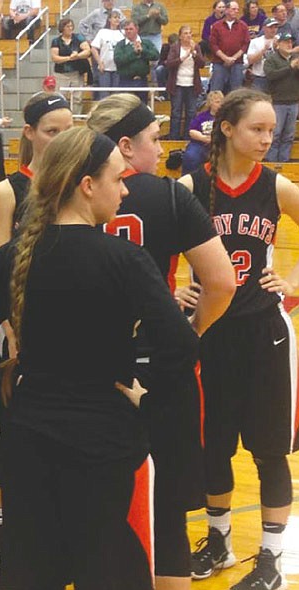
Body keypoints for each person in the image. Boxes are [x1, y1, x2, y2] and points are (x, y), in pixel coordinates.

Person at [0, 125, 199, 589]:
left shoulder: (15, 256)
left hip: (30, 441)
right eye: (118, 180)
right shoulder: (125, 259)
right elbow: (180, 346)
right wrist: (150, 401)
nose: (125, 190)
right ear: (87, 185)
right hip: (108, 445)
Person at [88, 93, 236, 590]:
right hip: (159, 367)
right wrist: (188, 334)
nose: (162, 148)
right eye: (154, 139)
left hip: (87, 369)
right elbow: (222, 283)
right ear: (125, 146)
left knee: (96, 512)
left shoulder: (70, 193)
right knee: (168, 515)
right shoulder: (171, 195)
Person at [179, 88, 299, 590]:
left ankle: (270, 559)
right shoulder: (187, 187)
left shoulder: (279, 186)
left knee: (269, 451)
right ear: (226, 128)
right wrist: (175, 290)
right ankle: (220, 542)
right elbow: (159, 255)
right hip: (209, 332)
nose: (268, 139)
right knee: (213, 447)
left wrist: (293, 282)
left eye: (272, 130)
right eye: (258, 129)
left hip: (264, 333)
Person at [0, 91, 73, 572]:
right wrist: (13, 330)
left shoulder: (81, 184)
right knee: (6, 435)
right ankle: (6, 525)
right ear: (30, 133)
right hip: (17, 332)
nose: (59, 138)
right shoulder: (8, 191)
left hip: (69, 332)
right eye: (51, 130)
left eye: (67, 129)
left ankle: (55, 521)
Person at [264, 31, 299, 162]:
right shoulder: (271, 59)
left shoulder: (296, 58)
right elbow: (271, 75)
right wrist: (290, 68)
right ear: (278, 44)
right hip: (278, 102)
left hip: (294, 101)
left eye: (291, 42)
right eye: (286, 42)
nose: (289, 44)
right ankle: (272, 162)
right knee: (276, 134)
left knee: (289, 136)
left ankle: (284, 162)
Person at [166, 26, 206, 140]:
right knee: (176, 113)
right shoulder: (175, 48)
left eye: (190, 33)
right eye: (185, 33)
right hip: (177, 84)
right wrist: (182, 58)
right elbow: (169, 64)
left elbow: (202, 64)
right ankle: (174, 138)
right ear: (180, 36)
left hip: (192, 85)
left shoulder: (196, 47)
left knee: (191, 112)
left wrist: (194, 53)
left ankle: (188, 137)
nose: (188, 35)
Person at [50, 18, 91, 115]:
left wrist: (77, 56)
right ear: (62, 28)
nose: (70, 28)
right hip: (61, 74)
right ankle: (61, 116)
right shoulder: (56, 41)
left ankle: (76, 116)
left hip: (77, 73)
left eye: (71, 26)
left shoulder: (78, 38)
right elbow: (55, 58)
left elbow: (87, 50)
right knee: (60, 97)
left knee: (77, 97)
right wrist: (69, 58)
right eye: (68, 26)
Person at [209, 1, 250, 93]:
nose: (236, 11)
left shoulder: (243, 26)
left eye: (237, 9)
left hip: (237, 63)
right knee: (216, 91)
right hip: (219, 63)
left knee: (236, 92)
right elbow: (213, 44)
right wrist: (225, 58)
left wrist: (233, 58)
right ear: (226, 10)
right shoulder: (216, 26)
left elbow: (245, 44)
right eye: (233, 9)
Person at [114, 20, 160, 103]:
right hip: (125, 81)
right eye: (126, 29)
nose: (128, 31)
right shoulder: (120, 45)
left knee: (141, 107)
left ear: (137, 29)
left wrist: (143, 51)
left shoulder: (146, 43)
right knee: (124, 107)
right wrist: (133, 53)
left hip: (141, 80)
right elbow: (118, 60)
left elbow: (156, 56)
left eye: (131, 29)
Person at [182, 90, 224, 175]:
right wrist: (203, 138)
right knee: (191, 156)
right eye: (217, 102)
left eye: (221, 102)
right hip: (200, 144)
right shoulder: (201, 116)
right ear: (210, 103)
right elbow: (192, 131)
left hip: (219, 144)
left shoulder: (226, 117)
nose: (220, 105)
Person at [91, 11, 125, 97]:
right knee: (104, 94)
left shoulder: (123, 33)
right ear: (109, 19)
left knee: (116, 95)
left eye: (118, 17)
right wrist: (99, 62)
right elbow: (94, 48)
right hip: (105, 68)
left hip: (118, 68)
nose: (117, 19)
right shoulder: (103, 32)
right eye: (115, 17)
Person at [246, 17, 280, 93]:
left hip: (277, 77)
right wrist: (263, 50)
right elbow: (250, 60)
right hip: (259, 77)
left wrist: (277, 48)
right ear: (264, 28)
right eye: (270, 27)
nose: (273, 29)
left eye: (275, 27)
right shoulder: (255, 41)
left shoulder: (281, 40)